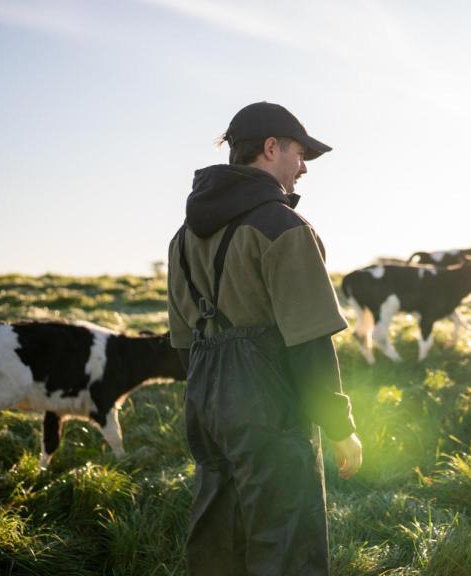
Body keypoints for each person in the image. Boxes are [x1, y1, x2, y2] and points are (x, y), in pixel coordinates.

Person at [166, 101, 362, 575]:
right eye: (300, 153)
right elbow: (311, 342)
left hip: (204, 401)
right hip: (269, 401)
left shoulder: (182, 238)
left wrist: (210, 398)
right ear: (271, 147)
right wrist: (340, 427)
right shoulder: (284, 227)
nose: (303, 168)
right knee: (286, 541)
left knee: (217, 540)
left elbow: (181, 343)